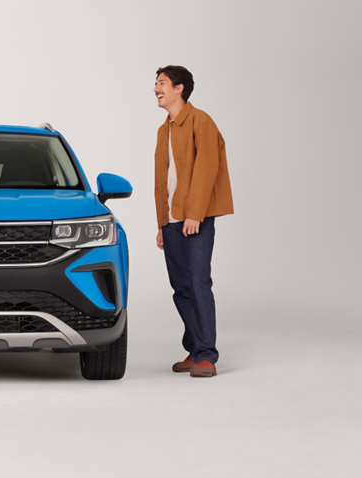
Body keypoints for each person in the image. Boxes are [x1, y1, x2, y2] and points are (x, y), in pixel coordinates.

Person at [152, 65, 234, 378]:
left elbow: (206, 170)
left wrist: (195, 214)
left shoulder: (201, 121)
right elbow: (162, 181)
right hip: (172, 222)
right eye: (156, 83)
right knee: (181, 287)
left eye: (162, 83)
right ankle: (194, 348)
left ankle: (207, 356)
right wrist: (161, 223)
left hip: (194, 218)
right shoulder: (164, 130)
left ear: (179, 88)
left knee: (198, 283)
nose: (156, 89)